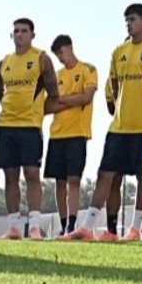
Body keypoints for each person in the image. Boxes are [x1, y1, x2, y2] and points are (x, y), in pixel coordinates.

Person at [67, 4, 142, 241]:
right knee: (106, 175)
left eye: (133, 19)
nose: (129, 23)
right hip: (118, 127)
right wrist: (120, 110)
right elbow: (113, 86)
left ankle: (136, 228)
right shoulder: (118, 51)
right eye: (126, 20)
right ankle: (91, 227)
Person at [0, 18, 61, 240]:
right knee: (10, 176)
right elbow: (1, 95)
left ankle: (34, 226)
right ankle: (13, 227)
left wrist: (36, 112)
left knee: (32, 173)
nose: (20, 34)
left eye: (24, 31)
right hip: (6, 125)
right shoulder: (4, 63)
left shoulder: (41, 58)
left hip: (30, 126)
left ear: (33, 35)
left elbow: (53, 94)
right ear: (11, 35)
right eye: (16, 31)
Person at [47, 35, 98, 238]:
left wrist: (62, 100)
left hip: (78, 133)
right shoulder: (56, 76)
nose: (60, 57)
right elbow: (48, 105)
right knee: (59, 182)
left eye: (61, 51)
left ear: (70, 47)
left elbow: (87, 97)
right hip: (56, 134)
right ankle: (62, 224)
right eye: (57, 54)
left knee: (74, 179)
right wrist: (71, 100)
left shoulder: (88, 69)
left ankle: (72, 224)